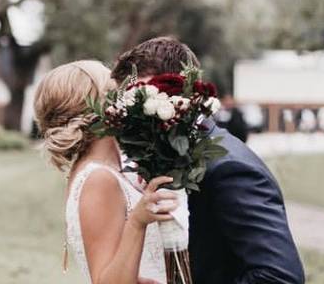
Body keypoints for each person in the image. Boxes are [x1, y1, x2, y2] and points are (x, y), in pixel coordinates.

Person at [113, 37, 305, 284]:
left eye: (140, 103)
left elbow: (280, 277)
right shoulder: (169, 153)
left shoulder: (231, 169)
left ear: (175, 92)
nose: (132, 119)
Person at [34, 60, 175, 284]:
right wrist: (138, 221)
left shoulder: (106, 171)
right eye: (117, 92)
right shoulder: (98, 179)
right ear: (100, 107)